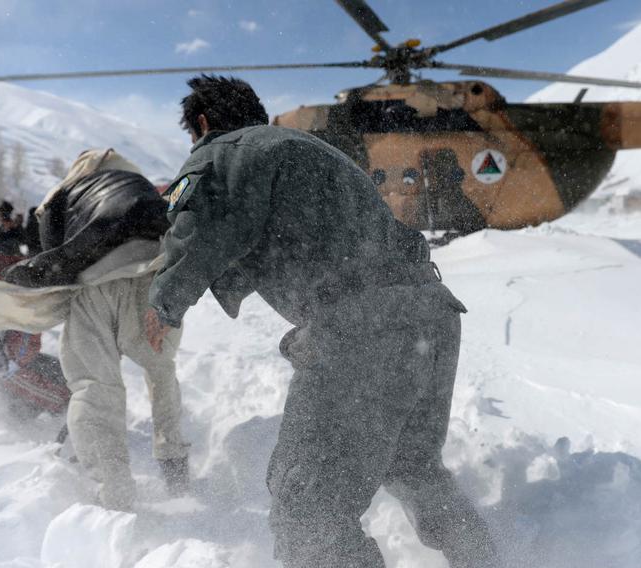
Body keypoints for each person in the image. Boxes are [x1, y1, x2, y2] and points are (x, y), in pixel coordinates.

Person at [149, 75, 497, 568]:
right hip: (431, 314)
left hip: (365, 325)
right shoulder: (306, 151)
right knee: (412, 465)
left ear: (203, 123)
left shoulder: (228, 149)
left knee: (306, 502)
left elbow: (202, 230)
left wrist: (161, 305)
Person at [0, 149, 189, 511]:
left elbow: (53, 259)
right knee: (162, 372)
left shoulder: (61, 195)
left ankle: (114, 496)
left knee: (94, 387)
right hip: (155, 281)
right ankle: (176, 467)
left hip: (95, 287)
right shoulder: (144, 187)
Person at [0, 249, 70, 418]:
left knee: (61, 373)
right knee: (23, 382)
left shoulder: (13, 295)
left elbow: (28, 339)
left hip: (3, 363)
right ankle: (68, 412)